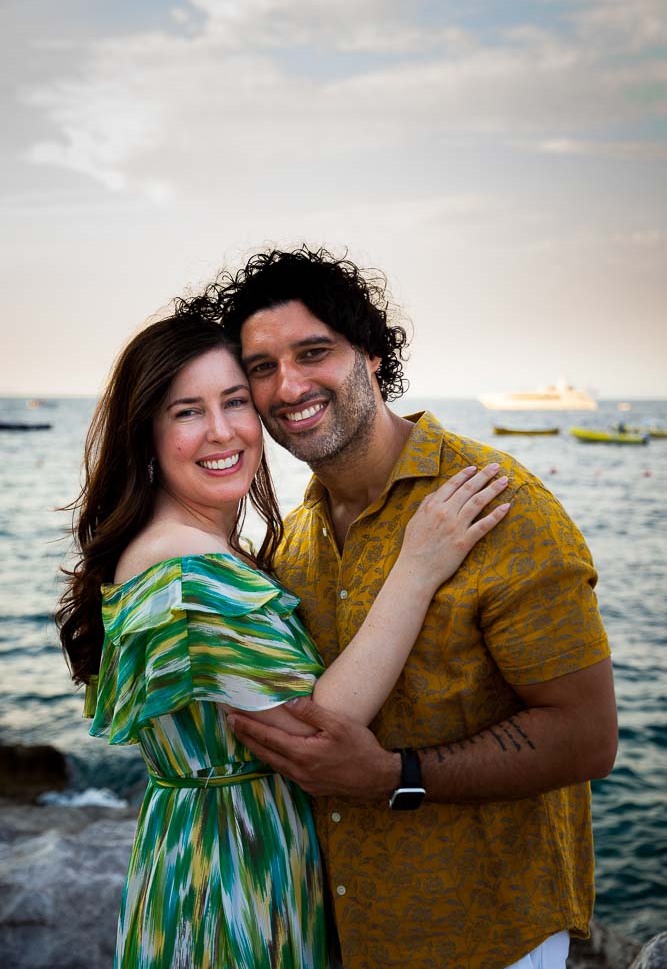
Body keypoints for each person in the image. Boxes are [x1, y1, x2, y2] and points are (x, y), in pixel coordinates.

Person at [178, 246, 619, 969]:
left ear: (373, 355)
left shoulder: (496, 504)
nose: (289, 386)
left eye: (312, 352)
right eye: (261, 368)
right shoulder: (297, 535)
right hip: (342, 934)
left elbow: (586, 736)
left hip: (483, 936)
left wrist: (394, 776)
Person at [56, 312, 509, 969]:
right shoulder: (188, 571)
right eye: (187, 411)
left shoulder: (190, 547)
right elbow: (316, 730)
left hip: (209, 853)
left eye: (235, 401)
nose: (222, 431)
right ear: (146, 435)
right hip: (233, 884)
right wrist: (418, 566)